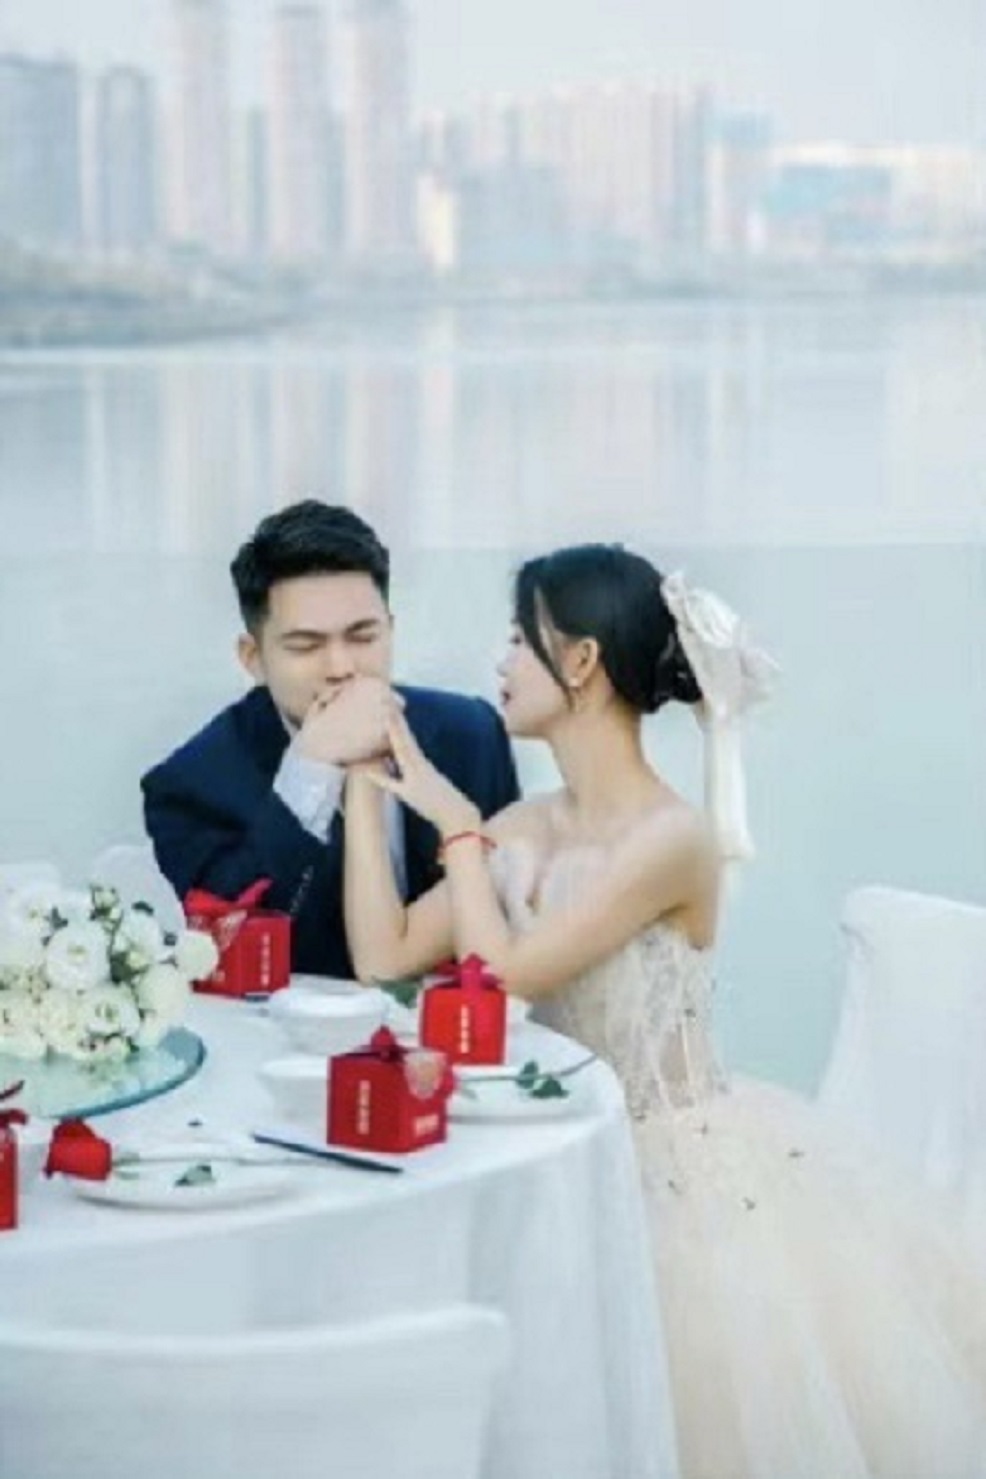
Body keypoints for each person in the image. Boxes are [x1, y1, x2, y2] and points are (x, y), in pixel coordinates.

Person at [344, 542, 986, 1479]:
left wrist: (456, 828)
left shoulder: (672, 839)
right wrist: (364, 783)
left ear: (581, 660)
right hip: (565, 1155)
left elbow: (502, 976)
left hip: (675, 1174)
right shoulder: (524, 826)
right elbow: (384, 953)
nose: (501, 659)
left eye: (520, 637)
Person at [141, 500, 518, 977]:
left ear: (391, 630)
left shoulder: (472, 734)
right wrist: (312, 763)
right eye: (306, 646)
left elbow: (502, 917)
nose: (341, 667)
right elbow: (230, 951)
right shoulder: (191, 784)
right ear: (253, 657)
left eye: (363, 637)